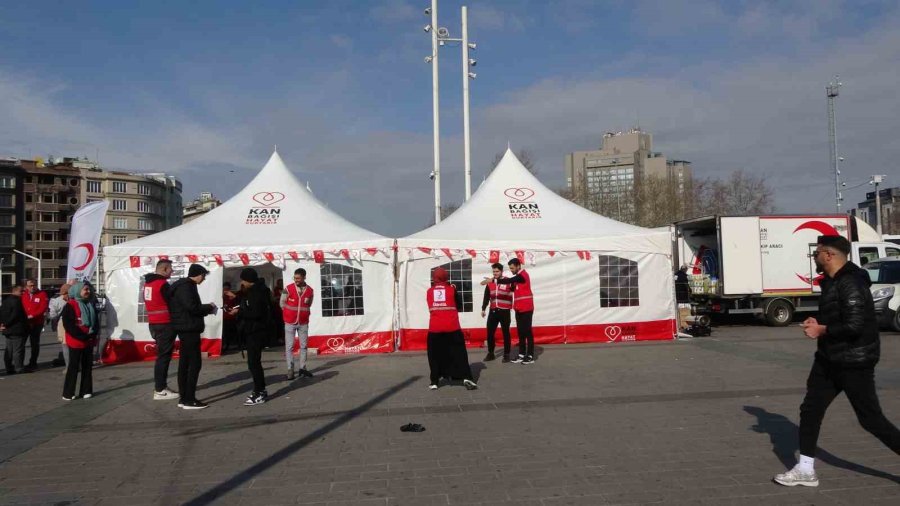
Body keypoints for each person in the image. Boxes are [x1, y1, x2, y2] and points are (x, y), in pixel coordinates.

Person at [774, 235, 900, 487]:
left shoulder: (850, 282)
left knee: (871, 420)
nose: (814, 258)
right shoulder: (832, 282)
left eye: (816, 253)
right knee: (811, 409)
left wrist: (822, 330)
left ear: (829, 255)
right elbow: (835, 316)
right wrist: (816, 322)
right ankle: (806, 469)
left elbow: (855, 325)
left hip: (854, 361)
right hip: (829, 359)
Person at [169, 264, 217, 410]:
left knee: (185, 363)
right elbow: (192, 307)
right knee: (194, 364)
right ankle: (189, 399)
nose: (203, 279)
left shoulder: (184, 286)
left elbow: (189, 307)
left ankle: (184, 398)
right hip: (188, 328)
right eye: (203, 275)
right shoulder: (186, 286)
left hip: (185, 327)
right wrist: (209, 307)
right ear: (198, 274)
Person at [427, 268, 477, 391]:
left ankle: (434, 381)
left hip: (435, 328)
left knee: (435, 355)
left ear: (434, 278)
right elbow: (458, 305)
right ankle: (466, 378)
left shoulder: (429, 291)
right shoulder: (452, 289)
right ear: (446, 277)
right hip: (452, 327)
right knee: (459, 353)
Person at [234, 267, 274, 406]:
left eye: (243, 280)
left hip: (256, 331)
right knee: (253, 362)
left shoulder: (256, 293)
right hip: (254, 330)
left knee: (254, 363)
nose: (242, 283)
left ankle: (260, 391)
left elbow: (256, 313)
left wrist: (240, 313)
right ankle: (259, 389)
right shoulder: (256, 291)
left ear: (248, 280)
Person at [486, 258, 535, 364]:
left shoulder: (523, 275)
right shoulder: (517, 278)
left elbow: (508, 280)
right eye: (510, 268)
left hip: (526, 307)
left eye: (512, 268)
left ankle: (530, 355)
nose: (511, 270)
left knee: (527, 332)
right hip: (519, 308)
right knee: (521, 332)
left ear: (518, 266)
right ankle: (522, 354)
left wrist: (493, 280)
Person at [144, 259, 179, 400]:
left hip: (154, 324)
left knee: (161, 356)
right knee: (164, 357)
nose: (172, 271)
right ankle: (160, 389)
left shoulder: (148, 284)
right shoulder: (162, 284)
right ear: (164, 269)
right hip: (165, 324)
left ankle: (161, 388)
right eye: (170, 269)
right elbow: (173, 303)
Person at [61, 282, 99, 400]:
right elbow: (69, 325)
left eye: (88, 290)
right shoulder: (70, 305)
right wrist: (82, 336)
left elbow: (95, 322)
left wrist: (93, 334)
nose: (87, 292)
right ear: (78, 291)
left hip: (88, 341)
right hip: (76, 341)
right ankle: (68, 393)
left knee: (87, 366)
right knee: (73, 366)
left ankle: (86, 390)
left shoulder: (90, 304)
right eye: (85, 290)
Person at [281, 268, 315, 380]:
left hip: (303, 322)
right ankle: (290, 369)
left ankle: (303, 368)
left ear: (304, 277)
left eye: (298, 278)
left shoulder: (310, 290)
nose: (296, 280)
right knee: (289, 346)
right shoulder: (288, 288)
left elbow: (309, 304)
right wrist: (287, 313)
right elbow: (282, 302)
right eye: (295, 278)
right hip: (290, 321)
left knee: (304, 346)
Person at [480, 263, 513, 362]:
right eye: (494, 271)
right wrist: (483, 309)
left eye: (497, 271)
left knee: (506, 333)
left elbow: (515, 291)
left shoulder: (508, 281)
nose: (495, 273)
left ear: (501, 271)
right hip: (493, 311)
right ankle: (491, 353)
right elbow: (486, 296)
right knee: (490, 333)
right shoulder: (490, 282)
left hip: (505, 311)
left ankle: (506, 354)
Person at [21, 279, 49, 371]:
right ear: (26, 287)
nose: (32, 287)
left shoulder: (42, 294)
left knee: (34, 344)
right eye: (30, 286)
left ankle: (33, 363)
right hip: (25, 323)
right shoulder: (23, 295)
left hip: (37, 322)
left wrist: (32, 315)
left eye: (34, 285)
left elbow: (43, 307)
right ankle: (20, 363)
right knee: (21, 343)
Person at [1, 285, 29, 375]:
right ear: (15, 291)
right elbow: (15, 315)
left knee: (9, 349)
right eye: (21, 291)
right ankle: (18, 368)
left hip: (8, 329)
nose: (23, 293)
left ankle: (9, 367)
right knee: (18, 350)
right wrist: (7, 324)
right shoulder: (16, 301)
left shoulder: (6, 301)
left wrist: (3, 324)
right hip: (16, 329)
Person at [48, 283, 71, 372]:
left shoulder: (56, 301)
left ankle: (68, 367)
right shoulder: (76, 299)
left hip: (62, 324)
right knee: (74, 346)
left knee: (65, 346)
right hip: (74, 324)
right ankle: (77, 365)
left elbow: (52, 315)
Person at [222, 282, 241, 352]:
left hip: (231, 316)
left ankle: (235, 344)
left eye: (227, 289)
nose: (226, 290)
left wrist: (233, 308)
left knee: (233, 331)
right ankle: (226, 345)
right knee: (225, 332)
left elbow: (238, 305)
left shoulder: (233, 296)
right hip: (224, 317)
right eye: (225, 289)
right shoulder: (221, 296)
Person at [674, 265, 691, 331]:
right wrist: (689, 289)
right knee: (683, 309)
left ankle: (679, 324)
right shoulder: (684, 276)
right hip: (683, 296)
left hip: (676, 295)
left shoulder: (676, 275)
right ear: (685, 269)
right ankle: (684, 324)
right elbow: (685, 284)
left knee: (678, 310)